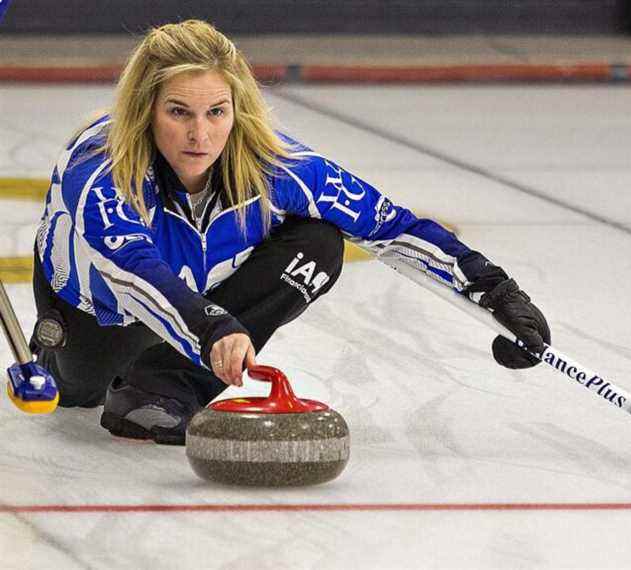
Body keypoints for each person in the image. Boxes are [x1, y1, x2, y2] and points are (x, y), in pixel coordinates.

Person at [31, 20, 550, 445]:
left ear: (237, 107)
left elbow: (391, 226)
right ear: (145, 109)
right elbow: (132, 271)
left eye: (217, 112)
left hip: (201, 309)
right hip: (99, 316)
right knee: (78, 391)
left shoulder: (280, 165)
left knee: (319, 243)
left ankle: (160, 389)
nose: (200, 134)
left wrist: (498, 294)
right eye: (178, 112)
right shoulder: (99, 168)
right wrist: (214, 328)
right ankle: (65, 356)